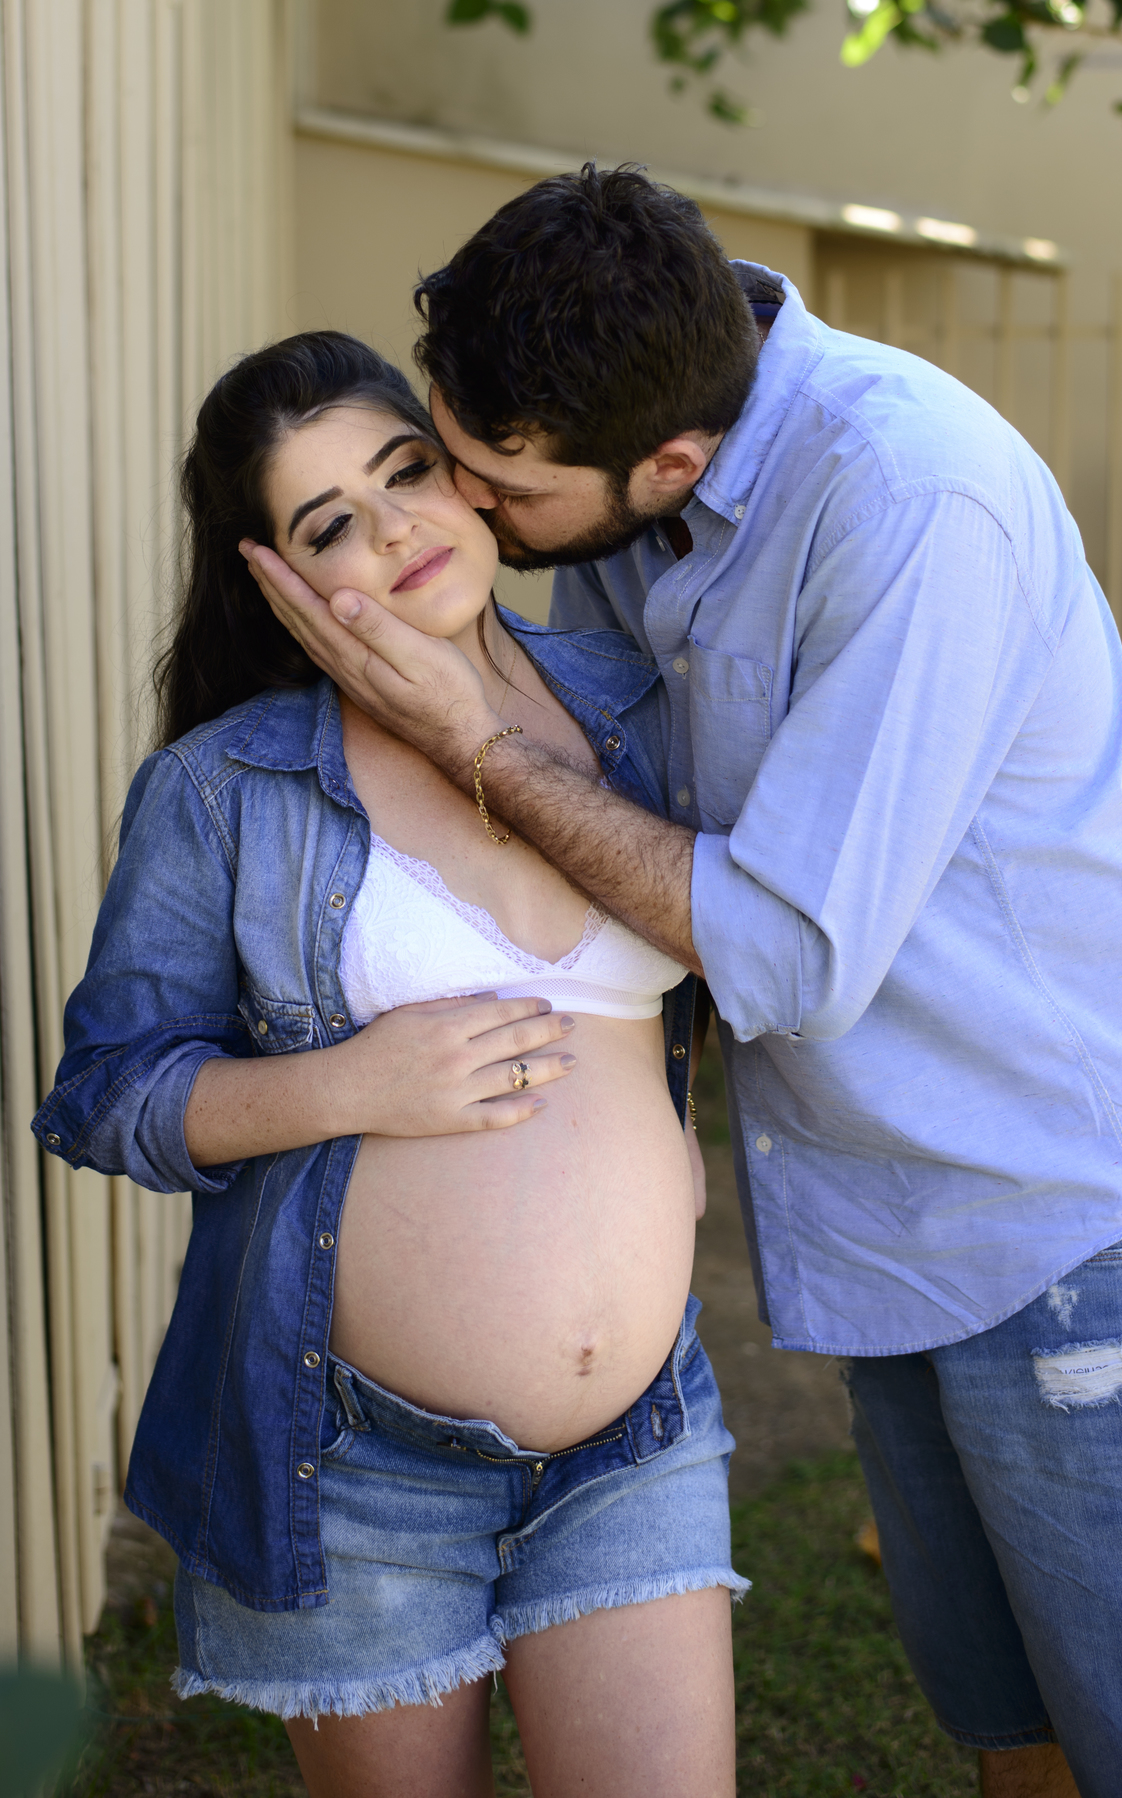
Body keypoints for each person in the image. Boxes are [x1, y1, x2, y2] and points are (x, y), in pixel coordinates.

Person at [248, 167, 1122, 1798]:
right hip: (896, 1215)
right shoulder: (629, 449)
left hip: (1073, 1214)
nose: (463, 508)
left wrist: (469, 741)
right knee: (1014, 1720)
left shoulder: (914, 501)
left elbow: (782, 950)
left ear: (671, 463)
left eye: (495, 485)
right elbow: (623, 821)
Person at [32, 331, 747, 1798]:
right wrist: (347, 1087)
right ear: (275, 578)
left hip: (638, 1431)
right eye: (328, 524)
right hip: (357, 1462)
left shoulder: (633, 697)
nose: (395, 528)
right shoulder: (227, 786)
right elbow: (104, 1094)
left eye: (405, 471)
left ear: (465, 472)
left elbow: (740, 932)